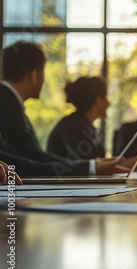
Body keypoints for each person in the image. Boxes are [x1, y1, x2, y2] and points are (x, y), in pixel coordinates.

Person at [0, 41, 121, 176]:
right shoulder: (7, 106)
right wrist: (89, 167)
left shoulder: (10, 103)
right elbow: (30, 158)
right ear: (34, 76)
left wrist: (93, 166)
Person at [47, 76, 108, 159]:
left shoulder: (81, 125)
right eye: (105, 97)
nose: (109, 103)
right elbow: (92, 166)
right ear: (98, 100)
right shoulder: (72, 127)